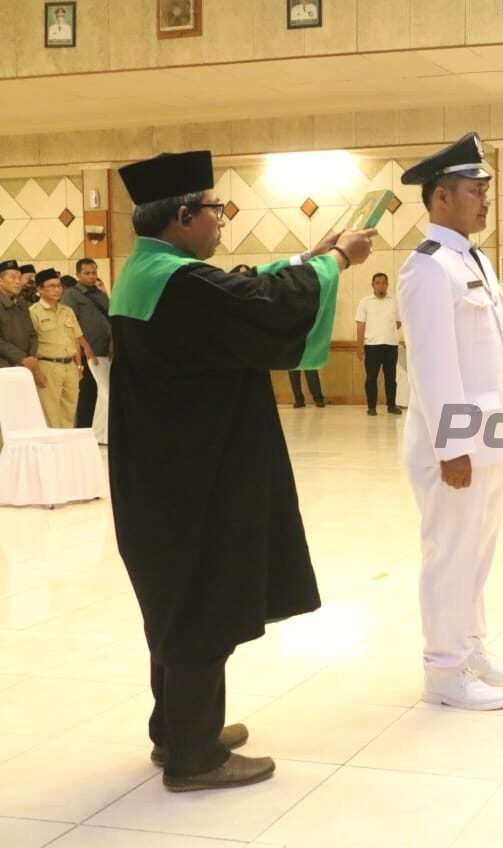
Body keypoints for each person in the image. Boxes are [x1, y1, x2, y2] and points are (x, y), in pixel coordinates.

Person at [108, 150, 373, 792]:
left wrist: (309, 257)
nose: (222, 220)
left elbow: (239, 289)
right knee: (201, 604)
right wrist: (336, 262)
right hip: (194, 481)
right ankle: (195, 756)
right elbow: (262, 305)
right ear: (182, 216)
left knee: (174, 608)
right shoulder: (178, 282)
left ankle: (176, 730)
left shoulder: (148, 272)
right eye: (215, 209)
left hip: (166, 476)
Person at [398, 132, 503, 710]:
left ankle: (470, 647)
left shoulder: (473, 260)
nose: (484, 201)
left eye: (486, 192)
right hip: (454, 445)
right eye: (475, 192)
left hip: (487, 438)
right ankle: (443, 670)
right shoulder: (427, 267)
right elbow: (432, 365)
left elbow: (491, 357)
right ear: (441, 197)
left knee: (477, 552)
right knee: (450, 553)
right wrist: (452, 448)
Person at [29, 269, 90, 428]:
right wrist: (36, 371)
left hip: (70, 366)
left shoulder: (67, 311)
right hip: (48, 366)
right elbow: (31, 344)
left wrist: (79, 366)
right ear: (40, 289)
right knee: (51, 412)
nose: (57, 289)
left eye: (59, 286)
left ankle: (66, 442)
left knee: (70, 411)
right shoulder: (33, 312)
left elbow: (75, 338)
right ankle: (53, 443)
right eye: (51, 286)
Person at [63, 258, 112, 431]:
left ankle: (99, 431)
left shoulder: (100, 293)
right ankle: (83, 430)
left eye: (94, 272)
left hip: (105, 352)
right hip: (86, 354)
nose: (92, 276)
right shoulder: (71, 294)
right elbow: (70, 324)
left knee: (103, 395)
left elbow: (110, 314)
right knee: (87, 395)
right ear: (78, 274)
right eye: (87, 273)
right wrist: (84, 346)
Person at [355, 271, 402, 416]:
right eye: (377, 283)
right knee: (371, 378)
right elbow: (360, 324)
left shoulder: (395, 301)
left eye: (383, 283)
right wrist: (359, 346)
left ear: (387, 284)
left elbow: (398, 322)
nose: (381, 285)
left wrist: (387, 331)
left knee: (391, 378)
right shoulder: (365, 302)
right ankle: (371, 407)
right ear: (373, 285)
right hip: (372, 346)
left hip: (391, 345)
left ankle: (391, 406)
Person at [0, 260, 41, 389]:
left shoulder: (22, 304)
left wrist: (31, 358)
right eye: (13, 277)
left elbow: (32, 334)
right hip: (5, 368)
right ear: (0, 280)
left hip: (25, 368)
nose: (18, 282)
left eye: (19, 277)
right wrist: (22, 358)